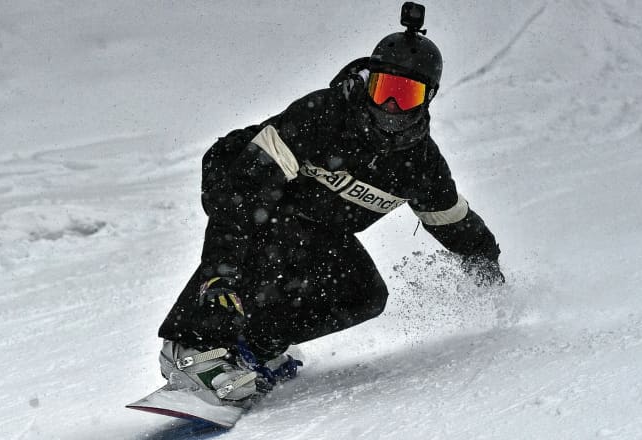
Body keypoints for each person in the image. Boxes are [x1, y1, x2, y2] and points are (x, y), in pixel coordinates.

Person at [157, 2, 504, 404]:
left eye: (405, 94)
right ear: (368, 82)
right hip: (242, 179)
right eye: (383, 89)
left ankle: (254, 349)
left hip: (313, 220)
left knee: (363, 294)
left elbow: (453, 222)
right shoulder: (322, 116)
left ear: (428, 99)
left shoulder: (420, 166)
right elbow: (245, 192)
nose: (390, 106)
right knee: (273, 238)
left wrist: (488, 271)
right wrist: (221, 272)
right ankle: (190, 348)